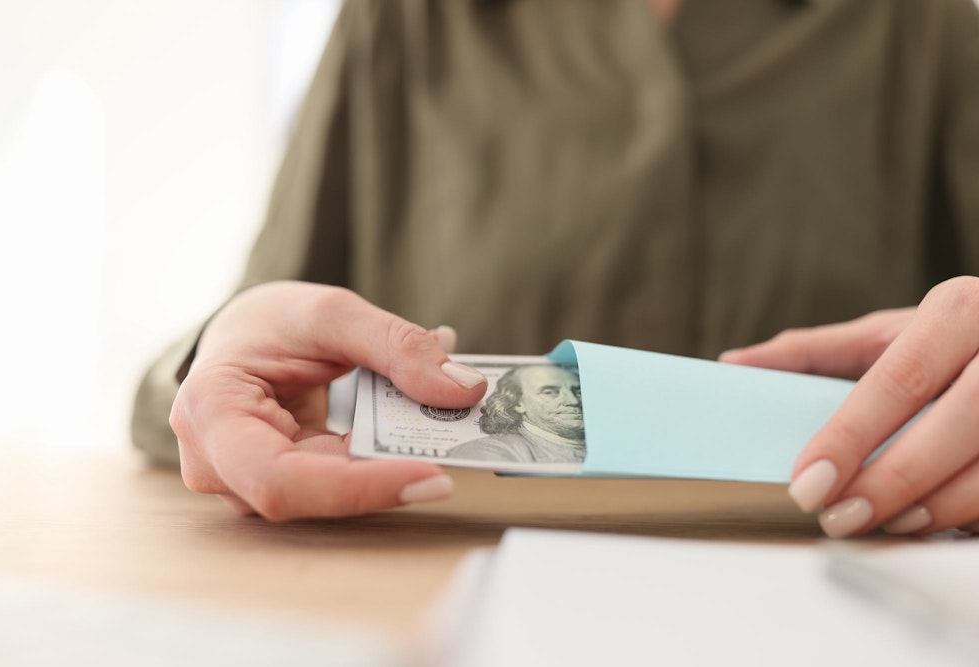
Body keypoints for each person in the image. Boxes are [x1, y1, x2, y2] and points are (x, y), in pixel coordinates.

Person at [131, 0, 979, 537]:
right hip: (432, 605)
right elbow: (231, 364)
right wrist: (213, 363)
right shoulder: (402, 18)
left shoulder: (930, 27)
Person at [448, 365, 586, 464]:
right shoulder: (489, 451)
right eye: (549, 392)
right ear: (518, 403)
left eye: (578, 392)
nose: (573, 401)